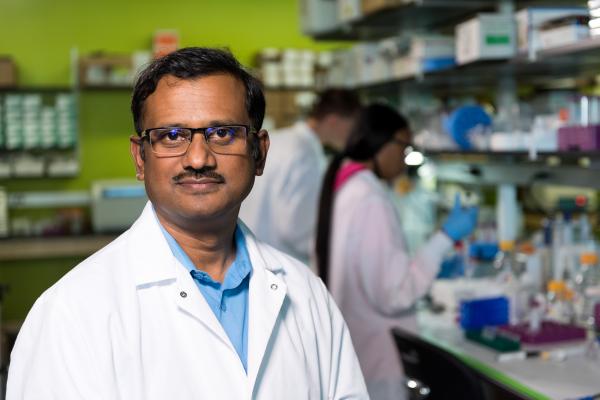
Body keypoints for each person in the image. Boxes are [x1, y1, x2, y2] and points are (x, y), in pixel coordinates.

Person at [7, 47, 368, 400]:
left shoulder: (306, 294)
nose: (198, 158)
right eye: (172, 136)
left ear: (259, 153)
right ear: (140, 158)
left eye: (223, 133)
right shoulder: (71, 313)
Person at [315, 104, 478, 400]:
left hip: (356, 348)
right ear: (382, 143)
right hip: (378, 359)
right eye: (404, 147)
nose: (405, 159)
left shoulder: (347, 186)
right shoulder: (370, 200)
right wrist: (443, 239)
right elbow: (395, 294)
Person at [239, 89, 361, 263]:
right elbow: (297, 228)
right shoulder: (303, 153)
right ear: (334, 120)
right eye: (353, 126)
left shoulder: (281, 138)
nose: (354, 135)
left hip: (249, 252)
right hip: (279, 262)